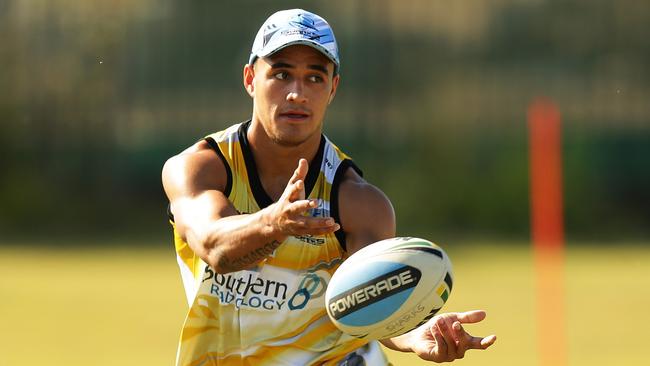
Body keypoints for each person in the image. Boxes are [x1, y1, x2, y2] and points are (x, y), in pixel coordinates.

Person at [162, 9, 496, 365]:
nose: (296, 93)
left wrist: (416, 331)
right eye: (281, 74)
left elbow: (373, 302)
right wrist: (274, 223)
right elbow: (214, 246)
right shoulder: (201, 168)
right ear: (250, 79)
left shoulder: (358, 202)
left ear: (332, 88)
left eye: (315, 78)